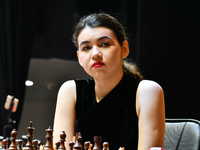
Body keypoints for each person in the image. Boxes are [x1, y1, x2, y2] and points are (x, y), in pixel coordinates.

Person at [53, 13, 165, 150]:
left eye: (104, 44)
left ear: (124, 49)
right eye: (86, 48)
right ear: (79, 57)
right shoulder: (70, 91)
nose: (95, 54)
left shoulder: (147, 92)